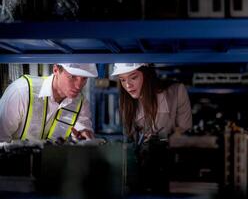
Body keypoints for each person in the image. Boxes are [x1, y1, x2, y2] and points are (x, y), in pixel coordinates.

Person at [111, 63, 192, 193]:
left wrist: (161, 139)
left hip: (172, 169)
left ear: (147, 75)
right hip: (142, 172)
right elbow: (130, 142)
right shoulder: (127, 103)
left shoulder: (176, 92)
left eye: (133, 77)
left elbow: (185, 130)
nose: (127, 85)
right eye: (122, 79)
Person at [0, 63, 98, 143]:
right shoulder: (21, 91)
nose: (78, 86)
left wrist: (84, 136)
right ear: (55, 70)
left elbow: (83, 133)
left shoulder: (81, 103)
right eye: (72, 77)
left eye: (84, 78)